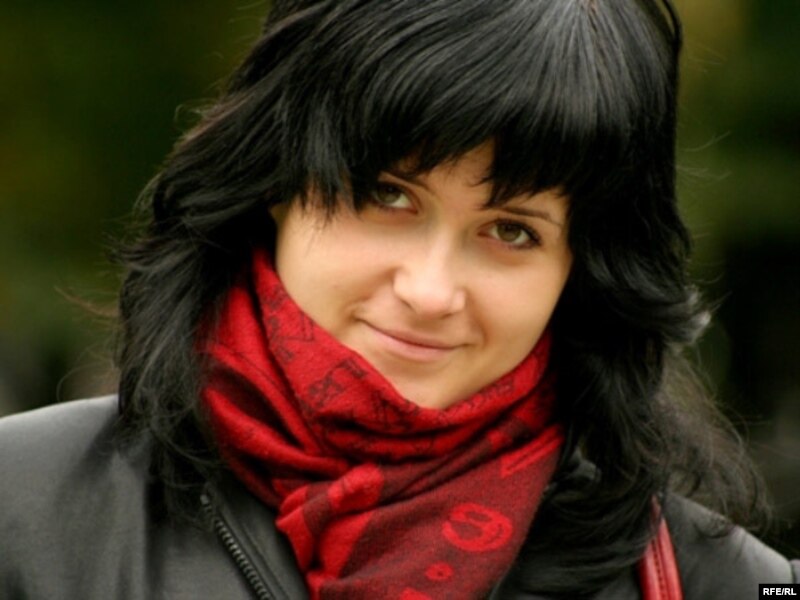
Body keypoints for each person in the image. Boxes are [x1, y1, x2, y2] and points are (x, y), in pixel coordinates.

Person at [0, 0, 797, 598]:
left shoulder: (720, 581)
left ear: (582, 269)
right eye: (388, 195)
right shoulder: (22, 511)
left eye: (512, 231)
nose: (429, 291)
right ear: (276, 182)